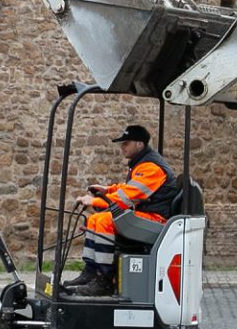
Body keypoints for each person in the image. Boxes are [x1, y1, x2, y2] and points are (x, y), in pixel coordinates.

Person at [63, 124, 183, 298]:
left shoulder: (151, 167)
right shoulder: (141, 163)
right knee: (94, 220)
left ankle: (104, 280)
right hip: (145, 215)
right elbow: (128, 188)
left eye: (126, 143)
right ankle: (91, 272)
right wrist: (107, 190)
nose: (122, 147)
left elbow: (127, 198)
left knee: (104, 220)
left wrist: (94, 200)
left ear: (139, 144)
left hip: (156, 219)